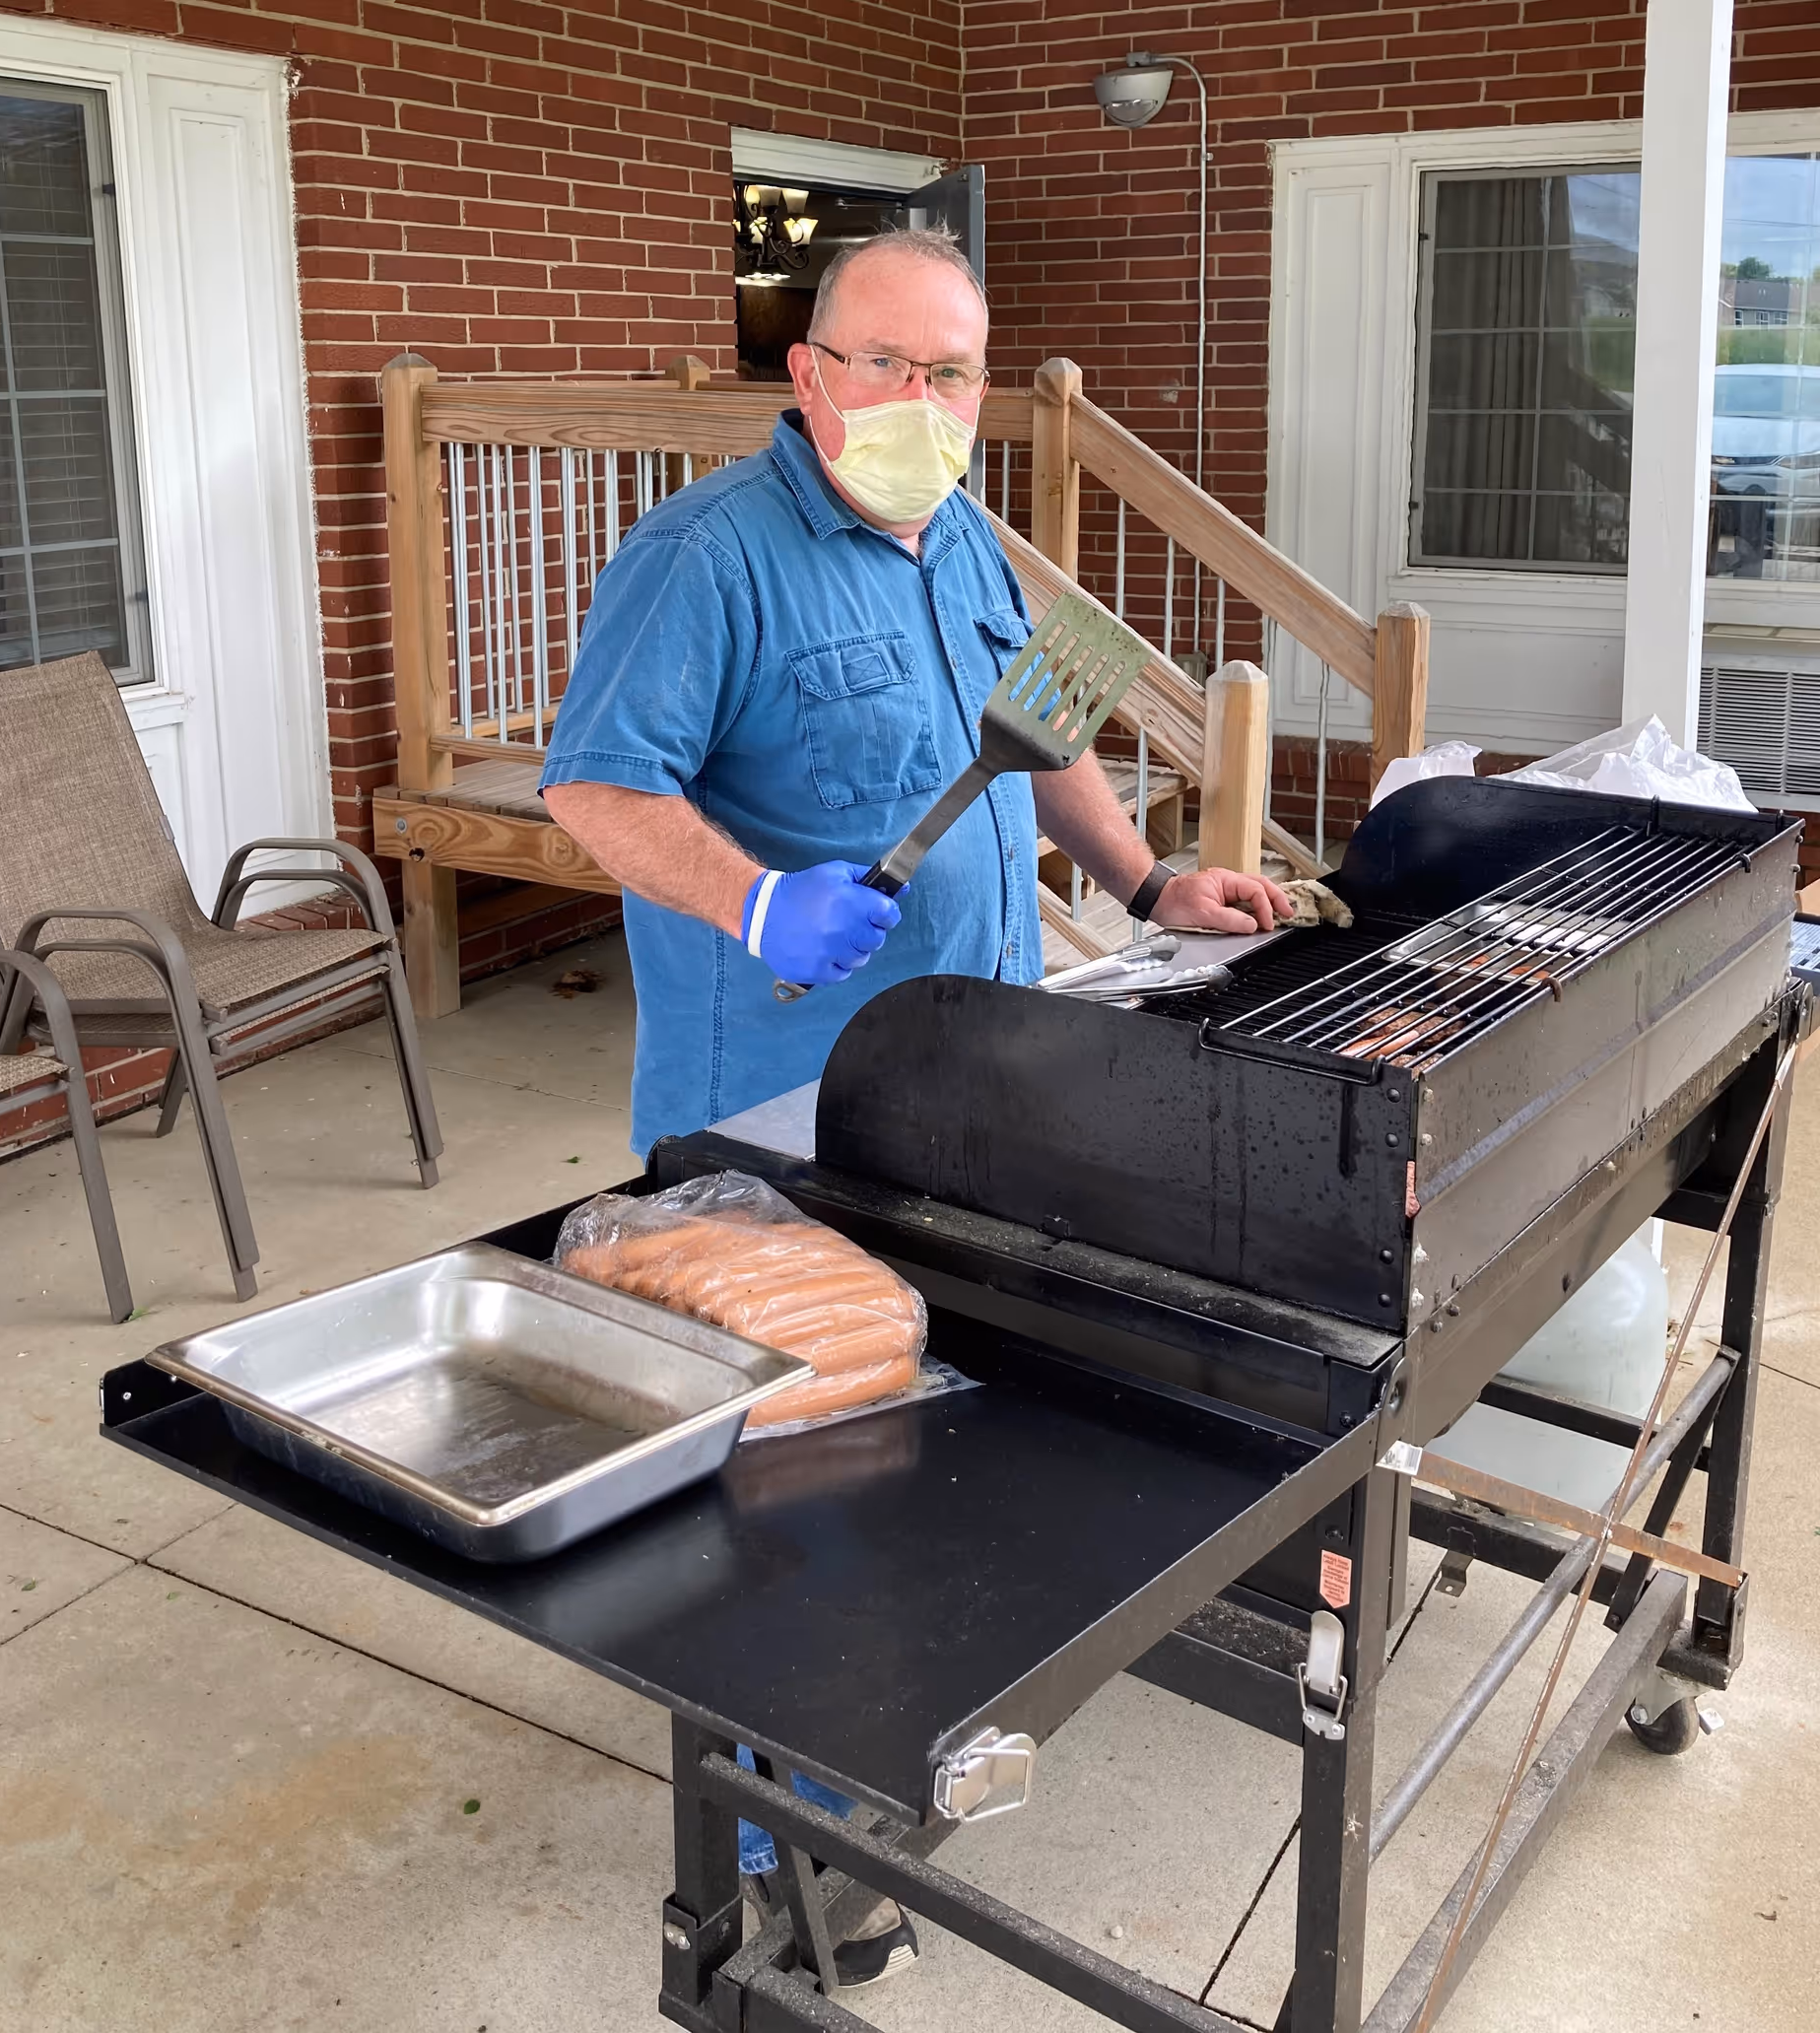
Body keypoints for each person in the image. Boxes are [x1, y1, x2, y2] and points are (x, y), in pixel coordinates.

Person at [540, 226, 1290, 1984]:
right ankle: (763, 1817)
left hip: (975, 1078)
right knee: (785, 1464)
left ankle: (889, 1713)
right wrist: (751, 899)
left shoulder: (963, 533)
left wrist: (1144, 876)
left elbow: (1053, 718)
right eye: (884, 363)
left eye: (952, 373)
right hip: (775, 1119)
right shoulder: (704, 559)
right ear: (809, 377)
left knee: (926, 1426)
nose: (920, 401)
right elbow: (593, 784)